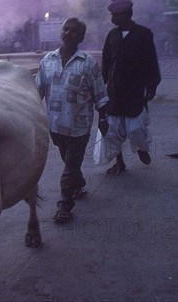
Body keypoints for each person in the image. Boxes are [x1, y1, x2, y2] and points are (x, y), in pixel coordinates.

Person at [35, 18, 109, 223]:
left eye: (75, 31)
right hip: (55, 125)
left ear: (81, 37)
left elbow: (100, 94)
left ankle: (65, 204)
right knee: (69, 161)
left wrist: (103, 118)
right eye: (66, 29)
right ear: (61, 33)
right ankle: (79, 183)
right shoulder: (47, 61)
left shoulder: (88, 63)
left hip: (79, 127)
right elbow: (37, 91)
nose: (69, 33)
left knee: (69, 166)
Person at [99, 0, 161, 174]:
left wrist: (153, 85)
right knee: (112, 130)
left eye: (115, 15)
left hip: (135, 90)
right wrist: (100, 86)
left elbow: (151, 60)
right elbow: (106, 62)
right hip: (114, 91)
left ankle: (142, 148)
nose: (112, 19)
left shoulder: (144, 34)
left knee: (136, 127)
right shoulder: (112, 35)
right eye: (111, 15)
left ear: (128, 14)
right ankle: (120, 163)